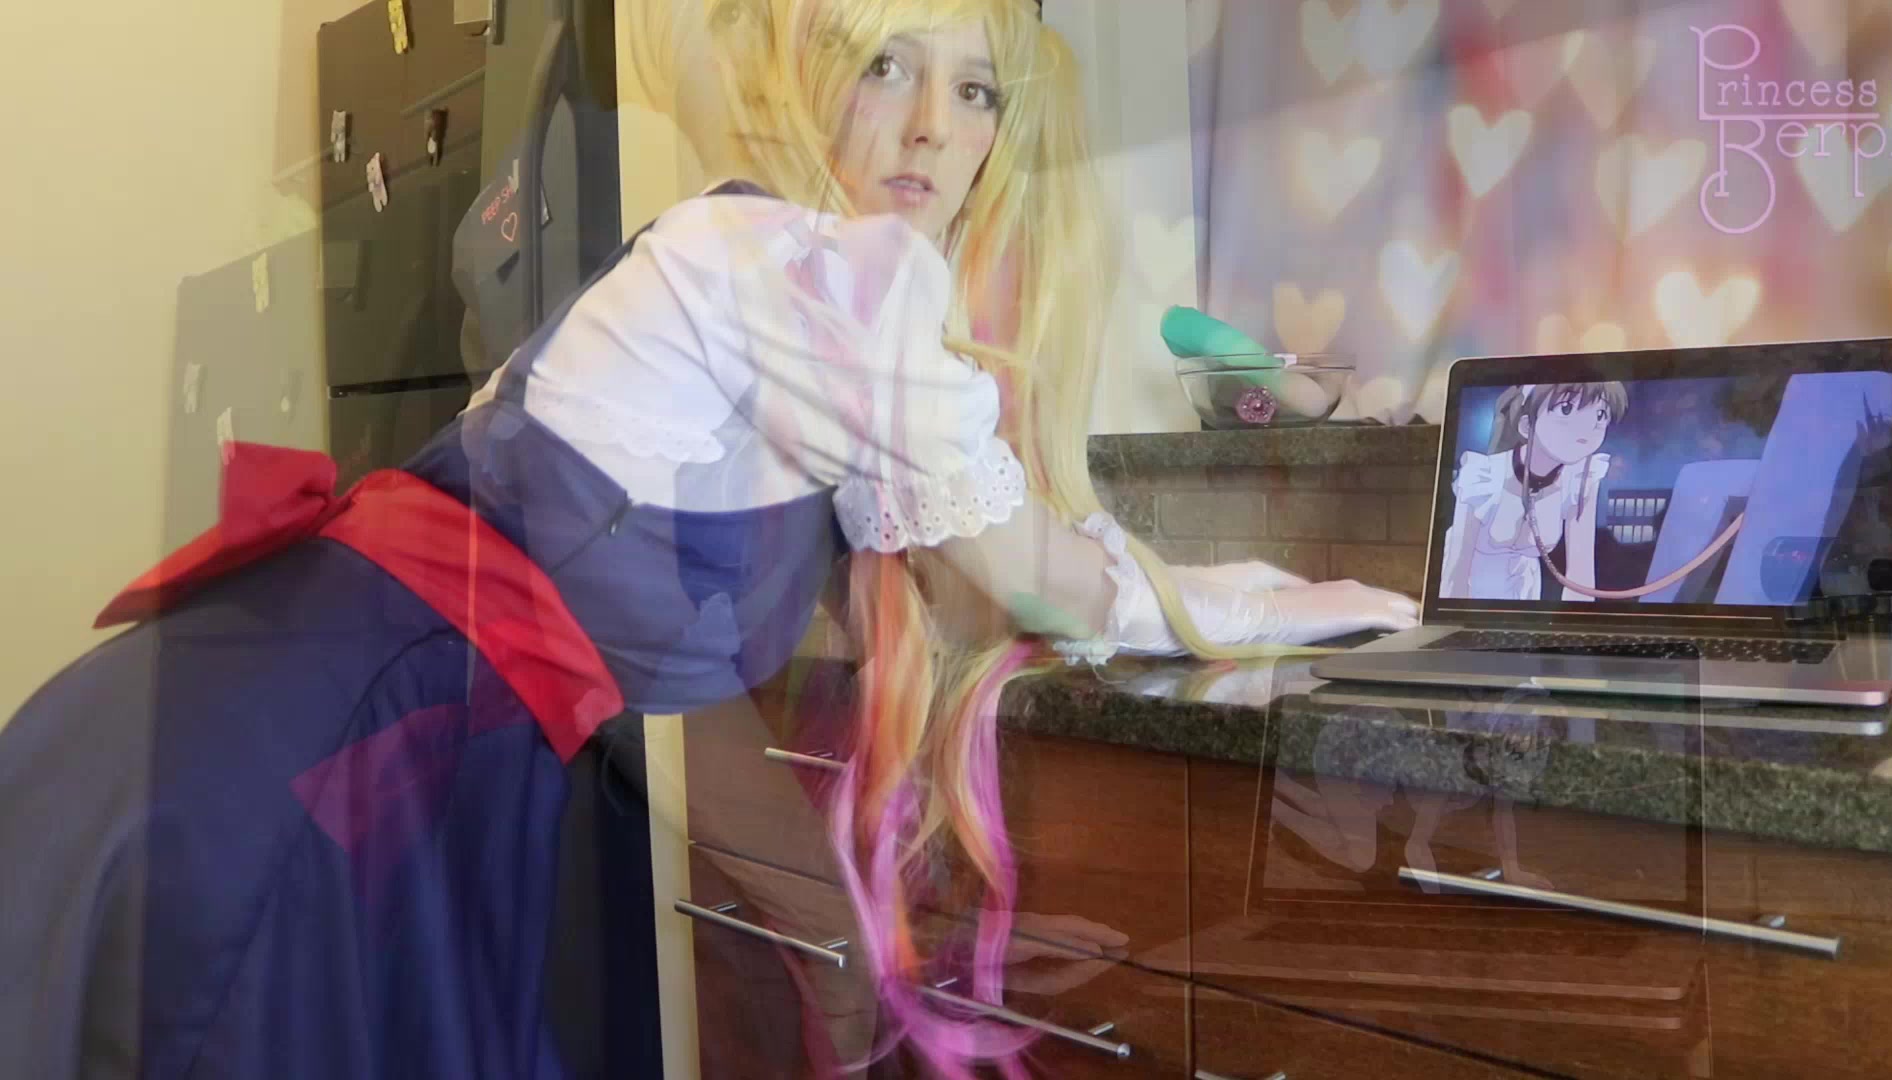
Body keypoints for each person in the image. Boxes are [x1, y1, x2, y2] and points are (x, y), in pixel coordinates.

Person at [0, 0, 1416, 1076]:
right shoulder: (816, 279)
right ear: (814, 77)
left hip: (305, 721)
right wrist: (1271, 601)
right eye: (887, 65)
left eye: (977, 88)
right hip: (315, 766)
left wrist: (835, 938)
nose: (935, 126)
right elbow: (1041, 582)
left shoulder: (761, 266)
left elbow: (724, 686)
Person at [1441, 382, 1624, 603]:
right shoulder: (1482, 475)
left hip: (1525, 597)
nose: (1587, 428)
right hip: (1469, 596)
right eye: (1566, 408)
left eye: (1600, 414)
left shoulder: (1581, 479)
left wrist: (1575, 622)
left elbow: (1580, 576)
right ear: (1527, 425)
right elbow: (1457, 571)